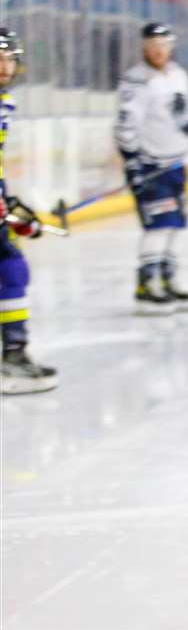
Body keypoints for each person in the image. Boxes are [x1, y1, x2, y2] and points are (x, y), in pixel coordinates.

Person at [114, 23, 188, 314]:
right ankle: (147, 286)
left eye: (163, 45)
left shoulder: (178, 75)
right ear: (144, 47)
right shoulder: (136, 82)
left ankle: (168, 278)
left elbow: (183, 114)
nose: (159, 51)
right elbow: (125, 126)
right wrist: (133, 163)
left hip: (175, 163)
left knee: (175, 225)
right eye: (153, 45)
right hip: (151, 165)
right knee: (158, 226)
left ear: (171, 47)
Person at [0, 28, 56, 396]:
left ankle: (14, 351)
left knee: (11, 268)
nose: (5, 67)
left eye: (9, 59)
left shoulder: (5, 102)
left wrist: (8, 199)